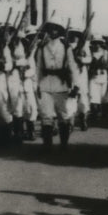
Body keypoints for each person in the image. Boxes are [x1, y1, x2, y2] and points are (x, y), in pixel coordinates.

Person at [35, 18, 79, 151]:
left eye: (56, 28)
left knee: (63, 115)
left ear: (59, 31)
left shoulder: (66, 47)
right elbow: (38, 67)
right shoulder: (42, 47)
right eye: (50, 28)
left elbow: (72, 66)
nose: (53, 31)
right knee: (46, 115)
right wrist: (36, 85)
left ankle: (63, 145)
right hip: (45, 84)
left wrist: (76, 85)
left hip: (61, 84)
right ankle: (47, 146)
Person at [67, 29, 92, 131]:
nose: (75, 37)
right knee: (71, 96)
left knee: (83, 97)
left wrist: (81, 59)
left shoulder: (84, 46)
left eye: (77, 35)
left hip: (81, 74)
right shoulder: (67, 46)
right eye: (73, 35)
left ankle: (83, 118)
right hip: (71, 73)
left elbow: (90, 59)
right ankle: (71, 121)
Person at [88, 37, 108, 121]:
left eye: (98, 43)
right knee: (93, 95)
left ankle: (106, 114)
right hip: (94, 76)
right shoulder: (90, 53)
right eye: (95, 43)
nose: (97, 45)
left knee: (104, 95)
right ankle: (95, 113)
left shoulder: (105, 53)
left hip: (104, 75)